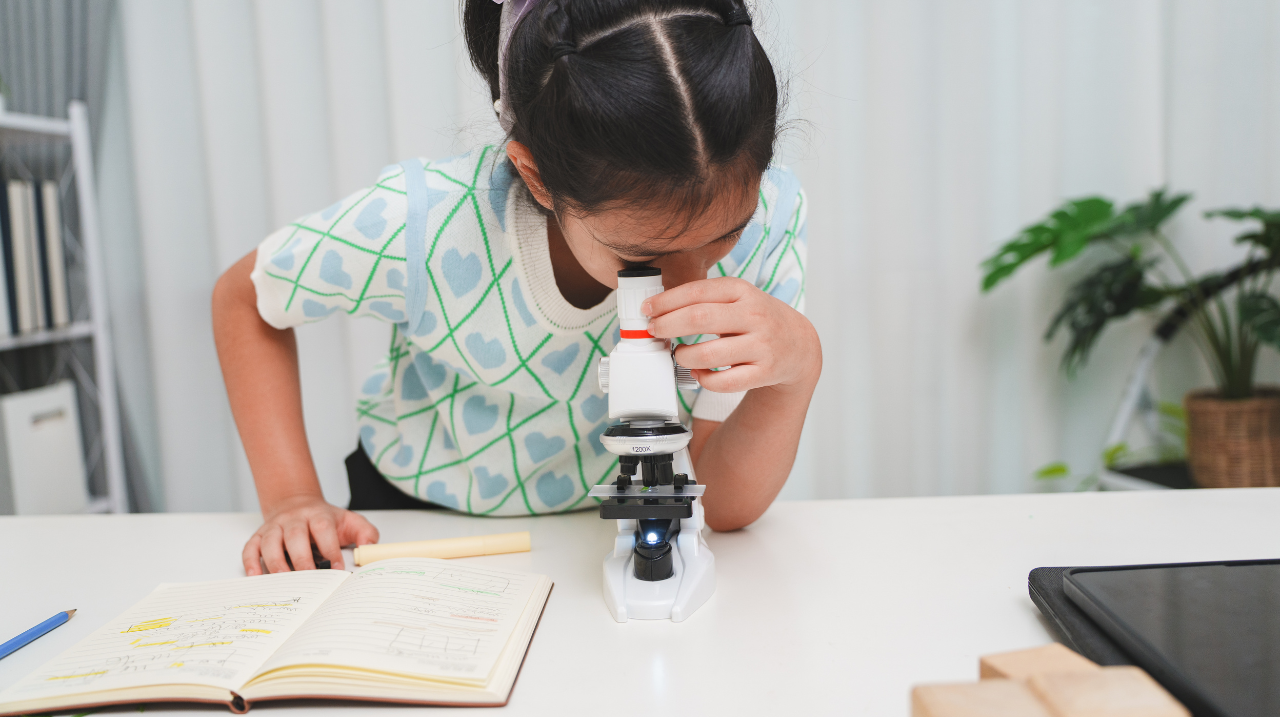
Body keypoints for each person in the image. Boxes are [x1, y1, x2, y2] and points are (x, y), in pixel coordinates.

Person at [212, 0, 820, 575]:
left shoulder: (770, 225)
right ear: (537, 178)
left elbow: (721, 506)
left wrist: (795, 373)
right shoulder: (428, 224)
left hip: (605, 529)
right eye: (644, 256)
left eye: (725, 234)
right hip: (413, 524)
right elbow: (245, 298)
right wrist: (291, 498)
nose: (692, 284)